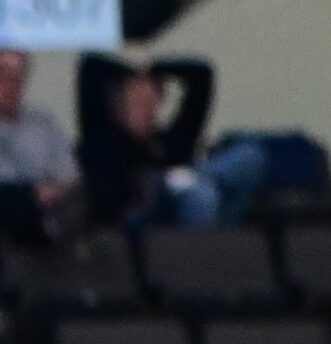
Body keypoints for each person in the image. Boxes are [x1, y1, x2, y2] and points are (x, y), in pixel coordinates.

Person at [76, 51, 266, 230]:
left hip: (196, 207)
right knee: (202, 193)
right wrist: (135, 72)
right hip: (141, 215)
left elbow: (202, 74)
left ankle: (187, 179)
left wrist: (154, 68)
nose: (147, 109)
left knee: (252, 155)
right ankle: (184, 183)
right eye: (138, 101)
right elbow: (90, 66)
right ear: (118, 105)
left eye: (152, 101)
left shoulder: (171, 140)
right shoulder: (102, 136)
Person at [0, 48, 82, 245]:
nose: (12, 84)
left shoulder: (42, 122)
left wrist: (51, 191)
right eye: (4, 74)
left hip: (51, 213)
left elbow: (71, 174)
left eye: (18, 75)